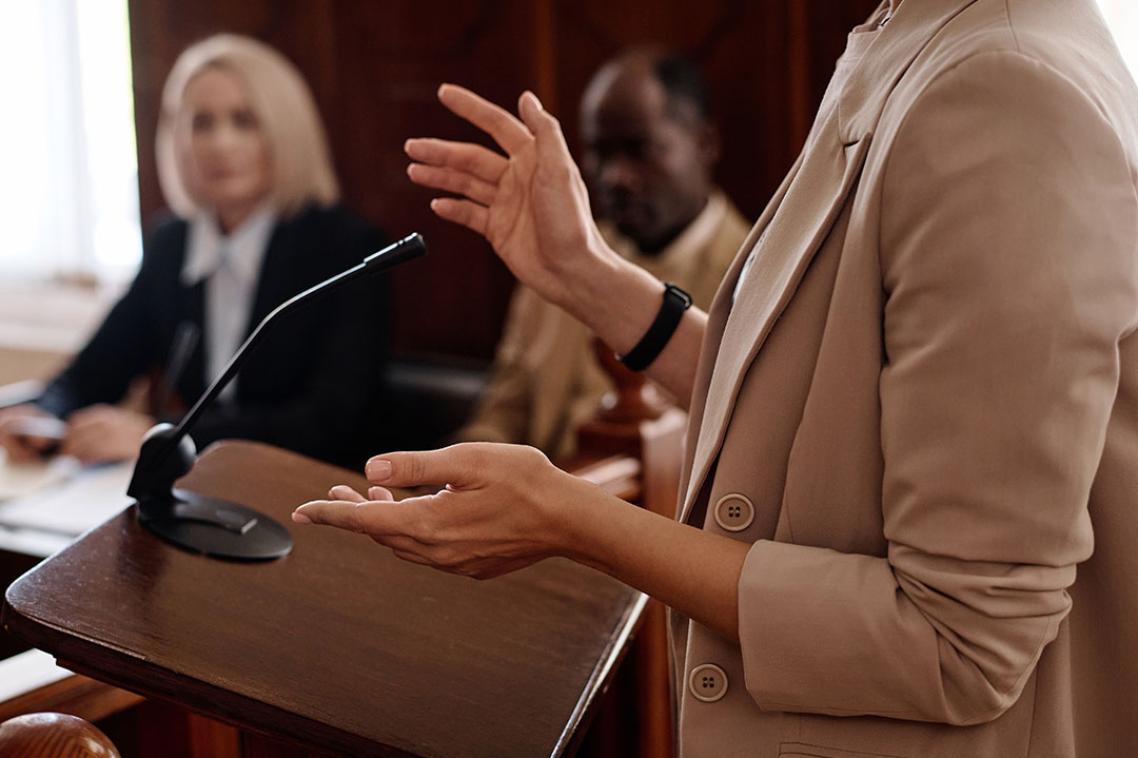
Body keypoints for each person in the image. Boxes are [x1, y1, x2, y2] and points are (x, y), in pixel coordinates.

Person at [295, 1, 1138, 756]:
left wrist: (569, 518)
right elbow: (828, 411)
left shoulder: (1006, 86)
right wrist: (587, 276)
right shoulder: (917, 35)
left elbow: (958, 640)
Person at [0, 34, 389, 469]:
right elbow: (97, 368)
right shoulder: (173, 241)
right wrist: (46, 416)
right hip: (201, 490)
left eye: (244, 120)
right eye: (201, 123)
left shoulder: (346, 247)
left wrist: (162, 436)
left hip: (308, 494)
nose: (220, 143)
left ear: (285, 131)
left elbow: (330, 423)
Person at [456, 49, 749, 459]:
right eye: (601, 152)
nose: (616, 176)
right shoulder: (554, 253)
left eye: (639, 149)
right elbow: (503, 411)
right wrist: (454, 478)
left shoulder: (754, 278)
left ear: (705, 143)